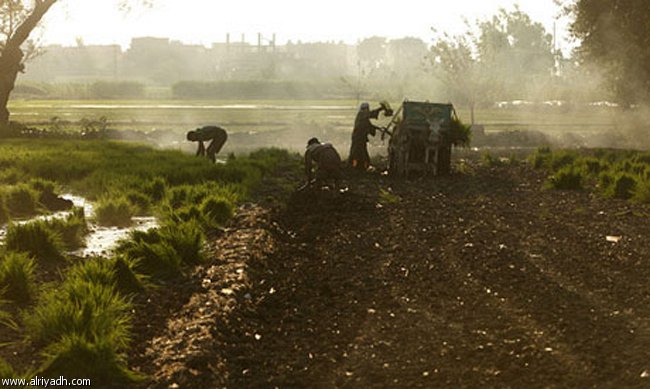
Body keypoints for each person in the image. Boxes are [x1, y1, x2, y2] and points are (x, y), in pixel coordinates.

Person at [348, 102, 388, 170]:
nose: (367, 110)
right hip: (358, 139)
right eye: (367, 109)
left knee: (361, 153)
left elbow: (369, 126)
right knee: (356, 153)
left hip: (361, 139)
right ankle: (355, 166)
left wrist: (378, 128)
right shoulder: (361, 115)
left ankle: (361, 166)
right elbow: (370, 116)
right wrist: (380, 109)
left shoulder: (364, 118)